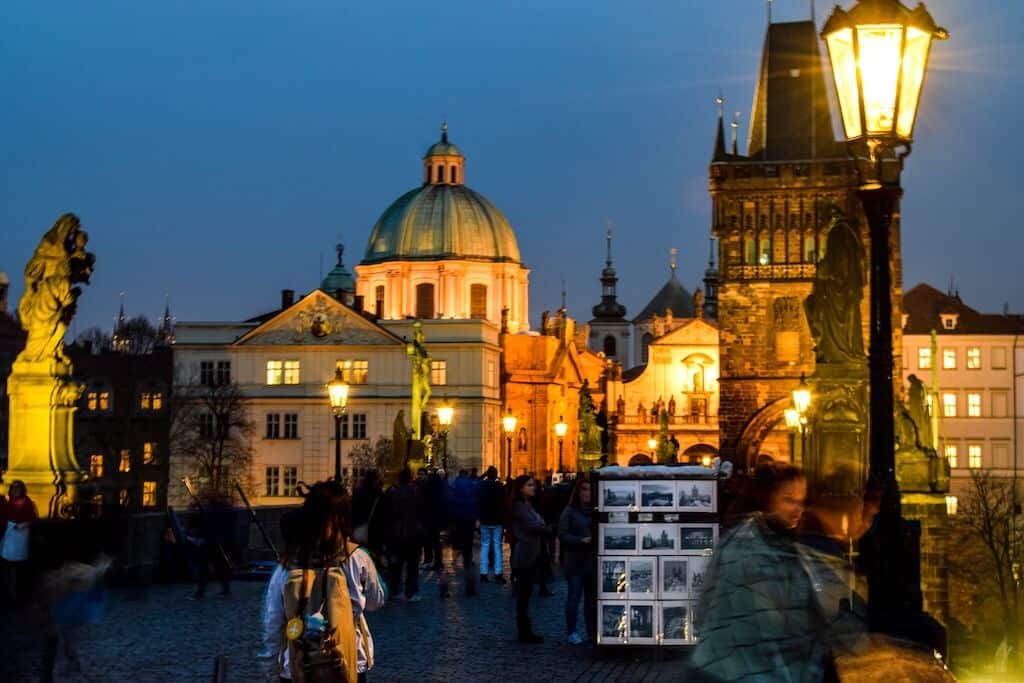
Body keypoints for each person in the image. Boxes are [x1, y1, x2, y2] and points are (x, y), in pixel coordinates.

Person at [689, 463, 864, 681]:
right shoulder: (751, 548)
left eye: (801, 501)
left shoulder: (775, 544)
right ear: (767, 499)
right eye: (789, 500)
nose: (798, 508)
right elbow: (775, 623)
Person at [275, 480, 386, 683]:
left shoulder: (287, 562)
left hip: (299, 663)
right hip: (347, 658)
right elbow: (375, 601)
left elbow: (273, 619)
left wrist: (272, 666)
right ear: (343, 517)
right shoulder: (357, 556)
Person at [259, 509, 306, 682]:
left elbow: (273, 623)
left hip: (293, 665)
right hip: (333, 663)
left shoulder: (283, 572)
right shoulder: (333, 565)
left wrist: (271, 669)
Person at [509, 475, 549, 643]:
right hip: (524, 554)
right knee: (524, 595)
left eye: (533, 485)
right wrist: (541, 525)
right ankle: (524, 631)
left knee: (527, 594)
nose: (534, 488)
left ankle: (526, 630)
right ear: (521, 488)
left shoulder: (527, 505)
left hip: (531, 551)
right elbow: (533, 525)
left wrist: (540, 523)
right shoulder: (519, 506)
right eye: (530, 485)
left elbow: (539, 522)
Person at [558, 479, 596, 644]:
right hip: (575, 560)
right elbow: (562, 535)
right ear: (578, 492)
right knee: (574, 597)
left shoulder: (596, 511)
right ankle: (572, 631)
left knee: (591, 600)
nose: (587, 493)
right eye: (584, 489)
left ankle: (591, 632)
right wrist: (580, 540)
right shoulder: (569, 511)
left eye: (590, 490)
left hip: (592, 561)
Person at [381, 468, 423, 602]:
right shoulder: (415, 491)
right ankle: (410, 591)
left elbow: (386, 513)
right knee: (412, 565)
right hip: (412, 533)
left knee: (395, 564)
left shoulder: (392, 491)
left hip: (395, 533)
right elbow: (421, 512)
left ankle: (394, 589)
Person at [1, 480, 38, 605]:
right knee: (8, 565)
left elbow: (32, 517)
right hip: (9, 534)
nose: (15, 491)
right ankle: (10, 592)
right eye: (13, 489)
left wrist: (23, 525)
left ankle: (19, 593)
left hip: (21, 535)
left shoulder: (27, 502)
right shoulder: (7, 502)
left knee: (19, 566)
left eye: (18, 489)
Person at [447, 469, 480, 596]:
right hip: (469, 517)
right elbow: (475, 500)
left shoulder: (456, 484)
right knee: (468, 540)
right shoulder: (471, 485)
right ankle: (467, 559)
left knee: (459, 537)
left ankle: (457, 555)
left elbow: (451, 500)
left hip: (458, 517)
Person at [477, 466, 506, 584]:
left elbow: (478, 502)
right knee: (497, 547)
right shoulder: (500, 487)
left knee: (484, 546)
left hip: (485, 519)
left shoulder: (481, 486)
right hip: (497, 520)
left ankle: (483, 573)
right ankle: (498, 573)